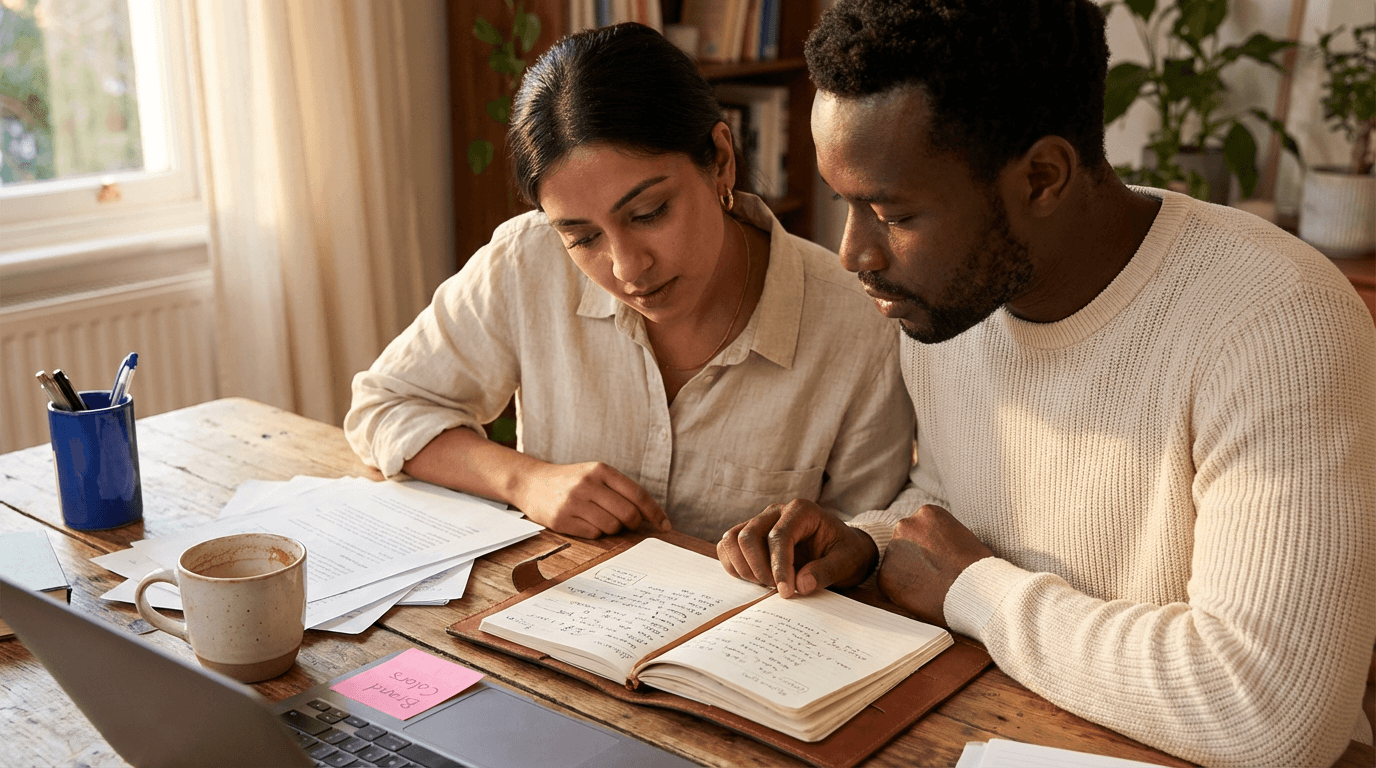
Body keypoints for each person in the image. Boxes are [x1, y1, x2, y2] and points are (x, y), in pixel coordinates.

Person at [717, 1, 1376, 766]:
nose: (852, 253)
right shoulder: (950, 300)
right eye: (845, 202)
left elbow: (1272, 711)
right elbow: (964, 508)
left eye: (892, 214)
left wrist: (978, 592)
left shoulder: (1278, 322)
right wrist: (871, 542)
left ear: (1042, 178)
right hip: (1003, 727)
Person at [344, 23, 913, 542]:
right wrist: (525, 480)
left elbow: (872, 538)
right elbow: (385, 407)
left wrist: (830, 547)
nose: (626, 268)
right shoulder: (527, 261)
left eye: (648, 213)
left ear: (720, 159)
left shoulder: (857, 324)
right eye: (582, 236)